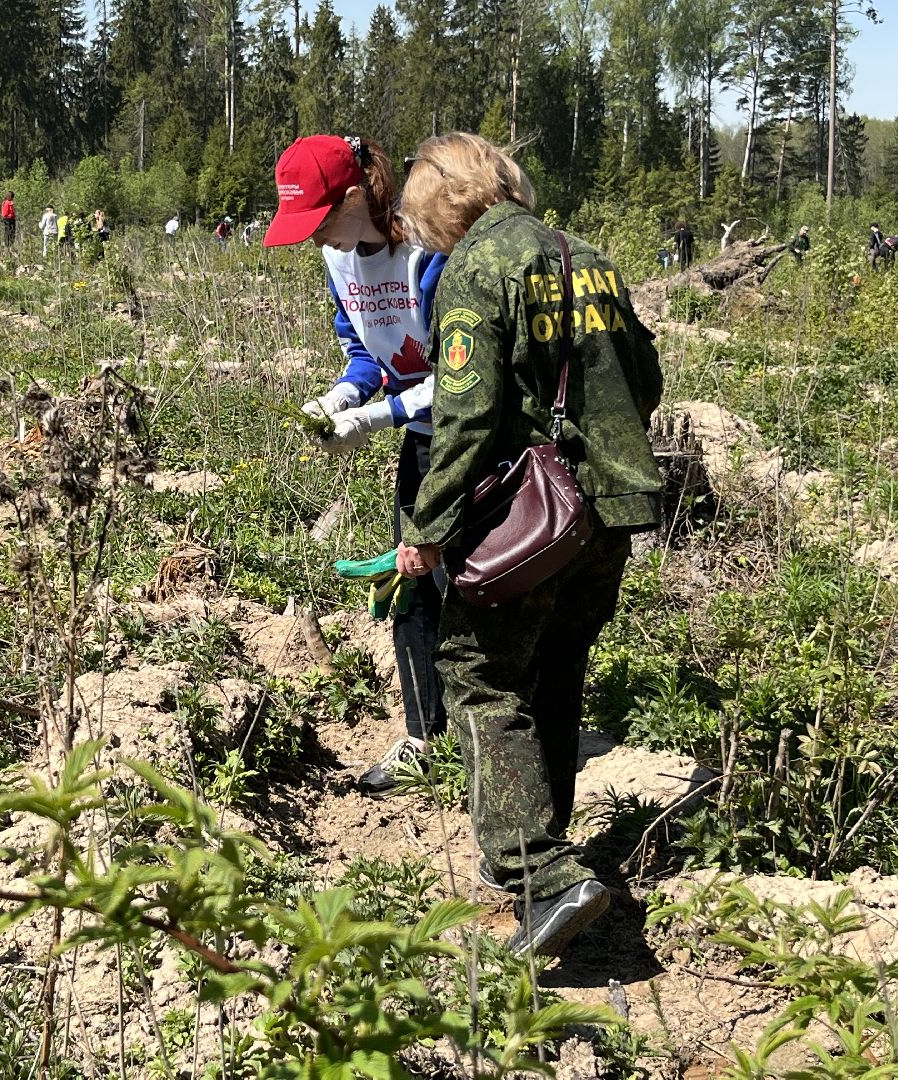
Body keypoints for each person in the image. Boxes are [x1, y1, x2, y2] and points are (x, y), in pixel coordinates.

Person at [395, 132, 662, 958]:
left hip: (534, 518)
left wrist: (427, 529)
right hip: (612, 512)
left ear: (445, 200)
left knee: (475, 672)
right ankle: (554, 851)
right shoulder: (591, 258)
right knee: (558, 667)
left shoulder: (478, 269)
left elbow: (467, 415)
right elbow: (643, 377)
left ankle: (540, 874)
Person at [262, 134, 449, 796]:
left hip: (477, 440)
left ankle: (496, 733)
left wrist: (372, 419)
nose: (318, 241)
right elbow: (368, 357)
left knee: (477, 583)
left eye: (321, 223)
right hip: (421, 440)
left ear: (353, 197)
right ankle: (426, 739)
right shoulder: (340, 263)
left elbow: (466, 377)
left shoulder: (428, 252)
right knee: (411, 585)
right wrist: (338, 399)